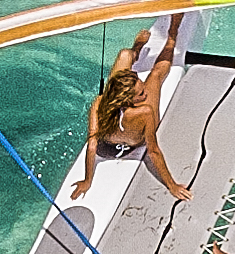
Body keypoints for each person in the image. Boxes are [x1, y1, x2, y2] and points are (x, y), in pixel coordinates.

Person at [79, 18, 194, 198]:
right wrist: (172, 185)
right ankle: (172, 34)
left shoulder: (100, 102)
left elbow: (93, 144)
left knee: (125, 54)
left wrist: (87, 180)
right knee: (155, 75)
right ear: (126, 100)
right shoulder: (144, 112)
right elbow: (153, 150)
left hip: (109, 141)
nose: (145, 95)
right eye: (140, 94)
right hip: (134, 141)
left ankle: (136, 50)